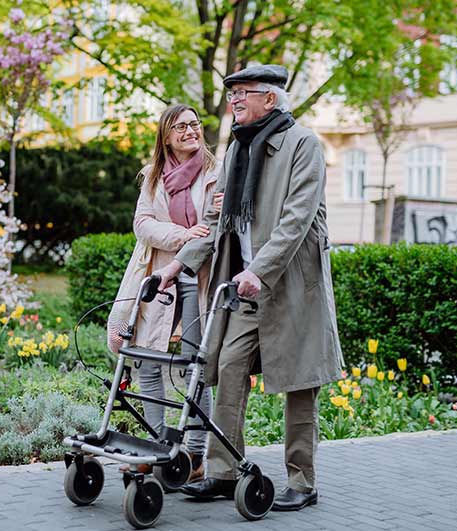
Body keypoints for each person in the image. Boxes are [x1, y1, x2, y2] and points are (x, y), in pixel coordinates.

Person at [154, 64, 344, 511]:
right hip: (244, 288)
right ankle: (223, 472)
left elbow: (297, 220)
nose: (234, 101)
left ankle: (302, 481)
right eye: (231, 94)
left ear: (270, 99)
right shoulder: (238, 149)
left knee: (300, 383)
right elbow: (217, 220)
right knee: (228, 366)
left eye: (243, 93)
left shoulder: (303, 145)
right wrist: (178, 264)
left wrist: (260, 269)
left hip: (292, 287)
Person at [107, 104, 223, 483]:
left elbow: (216, 226)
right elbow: (142, 223)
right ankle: (156, 447)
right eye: (181, 127)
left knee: (194, 369)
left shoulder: (216, 174)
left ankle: (194, 457)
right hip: (159, 275)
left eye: (195, 124)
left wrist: (196, 238)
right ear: (167, 136)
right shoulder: (153, 176)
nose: (191, 131)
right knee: (147, 359)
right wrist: (182, 235)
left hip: (199, 278)